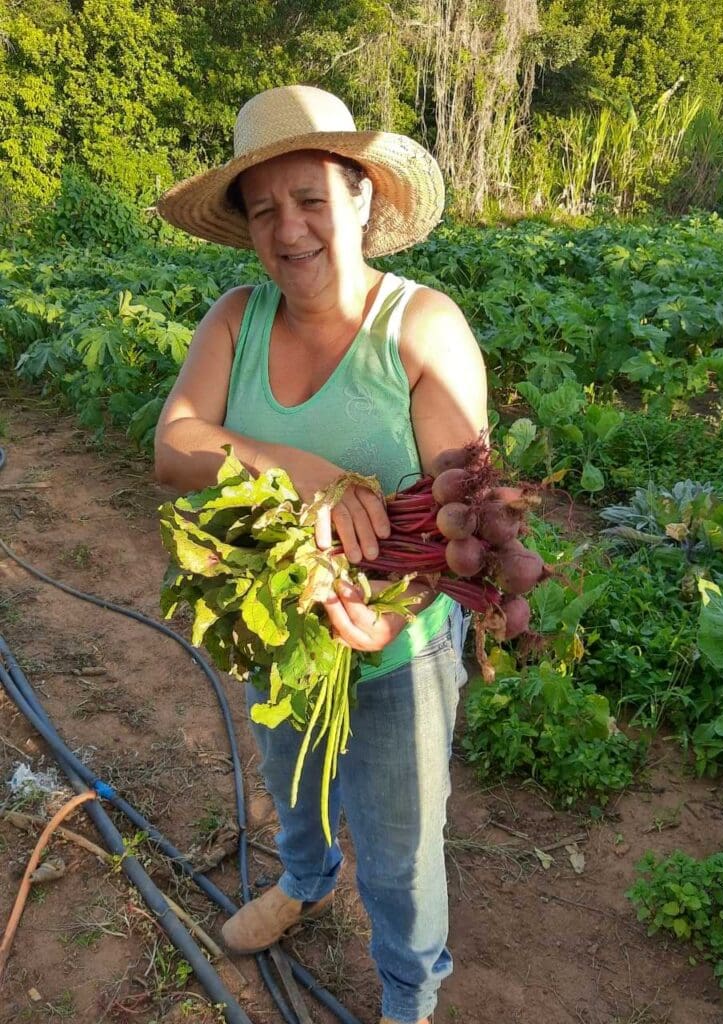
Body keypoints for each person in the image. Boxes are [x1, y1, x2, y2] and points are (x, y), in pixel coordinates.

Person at [154, 84, 488, 1024]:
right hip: (280, 633)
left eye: (309, 200)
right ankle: (305, 880)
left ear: (362, 199)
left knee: (399, 848)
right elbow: (174, 445)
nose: (287, 230)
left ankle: (408, 995)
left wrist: (394, 610)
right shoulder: (236, 319)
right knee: (290, 780)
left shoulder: (421, 329)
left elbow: (463, 519)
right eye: (264, 210)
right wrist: (297, 465)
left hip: (394, 647)